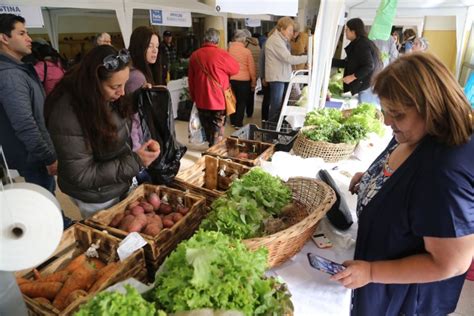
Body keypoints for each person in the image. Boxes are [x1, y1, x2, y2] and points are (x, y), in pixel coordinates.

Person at [333, 53, 474, 316]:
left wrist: (373, 272)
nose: (387, 122)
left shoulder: (444, 172)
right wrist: (375, 178)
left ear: (431, 108)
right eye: (385, 110)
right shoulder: (416, 131)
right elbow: (406, 181)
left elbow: (450, 264)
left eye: (396, 114)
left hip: (404, 299)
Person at [44, 46, 160, 219]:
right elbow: (82, 174)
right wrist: (135, 161)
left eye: (124, 84)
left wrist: (140, 98)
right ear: (94, 81)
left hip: (115, 181)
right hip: (95, 194)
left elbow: (113, 116)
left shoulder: (100, 95)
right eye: (115, 86)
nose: (121, 93)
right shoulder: (67, 116)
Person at [0, 14, 58, 196]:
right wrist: (47, 156)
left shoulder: (17, 70)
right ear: (4, 38)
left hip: (34, 154)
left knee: (45, 197)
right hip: (32, 157)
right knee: (42, 200)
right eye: (22, 33)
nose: (29, 38)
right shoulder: (11, 76)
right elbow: (25, 123)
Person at [188, 28, 239, 146]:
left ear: (204, 39)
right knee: (217, 131)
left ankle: (210, 149)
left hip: (201, 100)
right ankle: (212, 153)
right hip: (219, 101)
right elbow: (235, 69)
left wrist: (194, 97)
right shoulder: (222, 54)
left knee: (207, 128)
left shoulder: (195, 55)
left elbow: (191, 80)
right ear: (217, 41)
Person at [265, 17, 307, 122]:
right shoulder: (276, 40)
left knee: (280, 105)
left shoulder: (282, 40)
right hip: (277, 77)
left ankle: (275, 130)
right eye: (290, 30)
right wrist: (308, 57)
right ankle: (271, 132)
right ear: (282, 29)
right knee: (276, 106)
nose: (291, 33)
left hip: (282, 76)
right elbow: (288, 58)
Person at [126, 26, 161, 151]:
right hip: (136, 144)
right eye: (150, 46)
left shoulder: (136, 71)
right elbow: (135, 118)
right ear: (140, 46)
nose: (155, 51)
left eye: (156, 46)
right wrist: (138, 150)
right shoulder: (137, 76)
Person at [332, 18, 381, 105]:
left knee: (364, 110)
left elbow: (369, 66)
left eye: (347, 29)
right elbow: (347, 63)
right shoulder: (359, 43)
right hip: (366, 85)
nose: (345, 32)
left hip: (365, 86)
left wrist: (352, 77)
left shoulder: (362, 44)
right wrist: (329, 62)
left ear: (353, 31)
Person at [228, 29, 256, 128]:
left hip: (231, 79)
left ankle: (232, 121)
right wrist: (253, 82)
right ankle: (238, 123)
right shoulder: (247, 51)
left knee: (232, 101)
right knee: (242, 102)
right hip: (244, 81)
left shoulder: (228, 50)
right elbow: (251, 68)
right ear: (243, 39)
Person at [243, 29, 261, 118]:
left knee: (244, 92)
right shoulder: (257, 45)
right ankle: (250, 112)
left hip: (247, 71)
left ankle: (243, 111)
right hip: (256, 71)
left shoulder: (245, 45)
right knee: (251, 92)